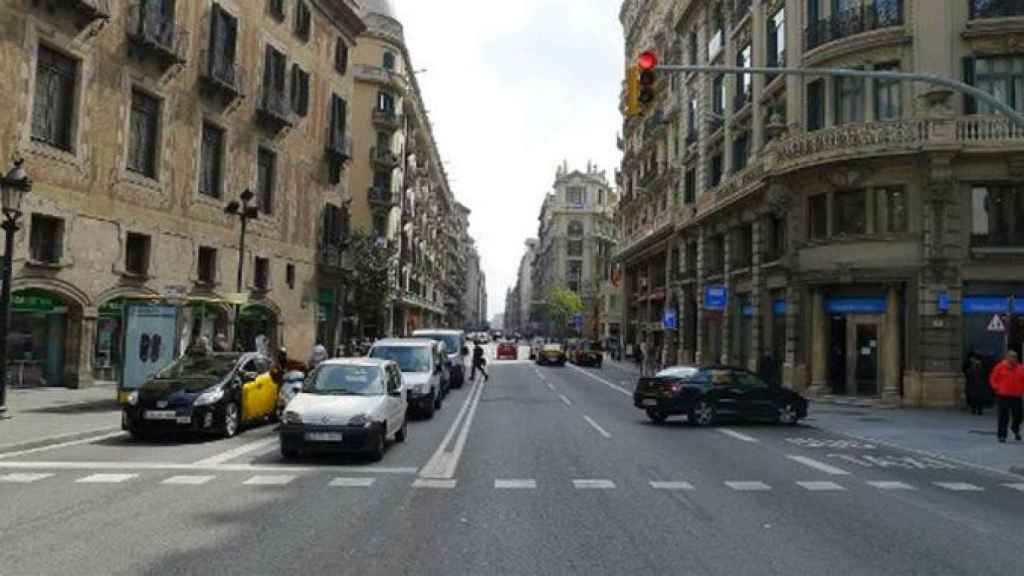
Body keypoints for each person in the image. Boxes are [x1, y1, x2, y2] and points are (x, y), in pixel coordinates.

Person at [989, 350, 1024, 443]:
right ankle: (1002, 435)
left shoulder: (1021, 368)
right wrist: (996, 388)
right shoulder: (1000, 367)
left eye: (1015, 357)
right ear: (1007, 357)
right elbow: (993, 378)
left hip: (1016, 396)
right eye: (1012, 357)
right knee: (1003, 416)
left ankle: (1015, 428)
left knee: (1019, 416)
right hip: (1003, 395)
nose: (1014, 358)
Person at [963, 350, 988, 415]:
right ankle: (973, 410)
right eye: (973, 358)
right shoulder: (969, 364)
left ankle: (979, 410)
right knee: (973, 397)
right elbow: (966, 372)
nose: (974, 360)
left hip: (979, 383)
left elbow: (985, 373)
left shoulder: (982, 364)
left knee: (979, 398)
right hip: (972, 383)